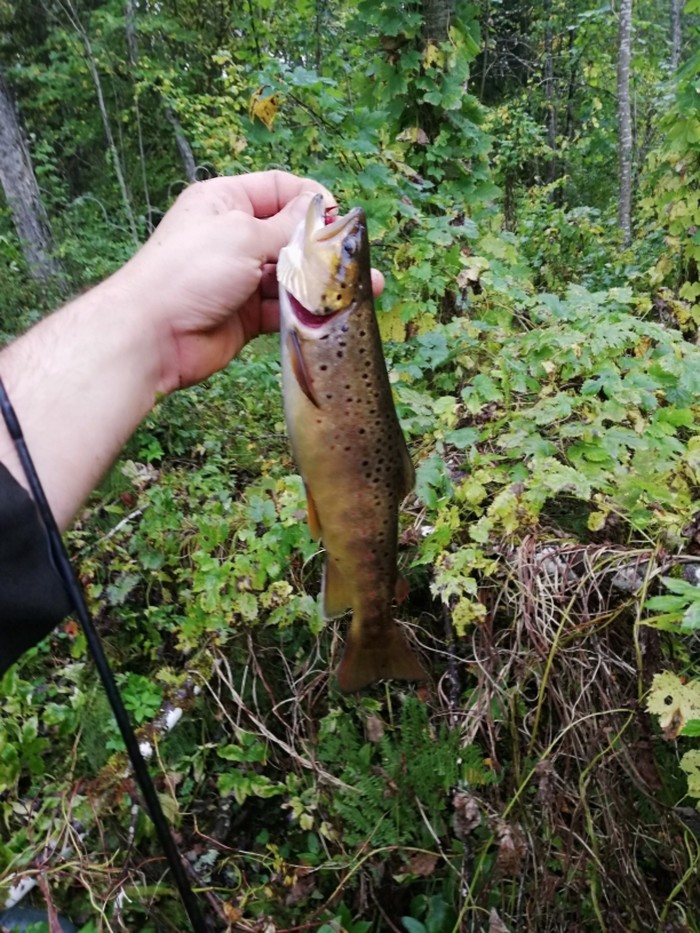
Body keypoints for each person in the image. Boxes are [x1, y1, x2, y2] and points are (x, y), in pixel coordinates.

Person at [0, 170, 383, 674]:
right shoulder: (310, 320)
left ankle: (375, 629)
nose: (341, 249)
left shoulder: (318, 327)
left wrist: (151, 319)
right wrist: (153, 316)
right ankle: (373, 626)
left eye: (343, 265)